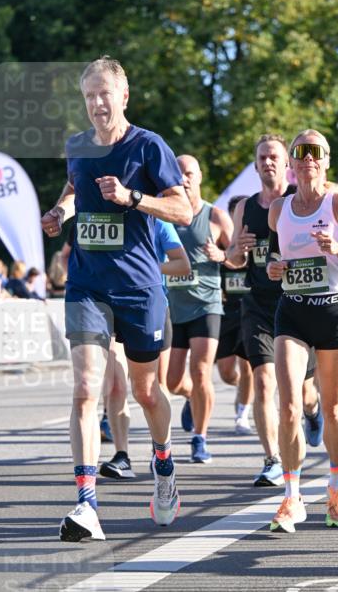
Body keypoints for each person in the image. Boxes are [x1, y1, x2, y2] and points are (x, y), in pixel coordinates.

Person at [41, 55, 192, 542]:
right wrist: (61, 212)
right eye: (88, 96)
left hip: (139, 287)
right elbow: (73, 188)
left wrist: (132, 198)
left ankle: (164, 462)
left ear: (123, 96)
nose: (96, 104)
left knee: (147, 394)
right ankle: (86, 505)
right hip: (87, 284)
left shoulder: (149, 146)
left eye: (104, 94)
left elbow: (184, 210)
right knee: (88, 388)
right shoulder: (78, 146)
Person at [266, 129, 338, 533]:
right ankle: (291, 496)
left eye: (315, 152)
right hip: (292, 312)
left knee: (333, 409)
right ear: (292, 163)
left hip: (333, 311)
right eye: (300, 152)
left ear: (327, 160)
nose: (307, 158)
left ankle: (335, 486)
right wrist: (273, 267)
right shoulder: (279, 209)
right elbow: (273, 255)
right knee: (289, 406)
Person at [226, 134, 323, 487]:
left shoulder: (300, 202)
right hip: (258, 306)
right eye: (262, 157)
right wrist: (238, 248)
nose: (268, 162)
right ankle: (272, 458)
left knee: (303, 392)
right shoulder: (244, 208)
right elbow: (233, 261)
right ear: (255, 165)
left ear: (287, 165)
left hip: (297, 303)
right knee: (264, 381)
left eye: (274, 157)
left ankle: (313, 412)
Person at [99, 219, 191, 481]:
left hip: (150, 308)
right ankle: (122, 455)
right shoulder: (106, 216)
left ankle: (160, 448)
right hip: (111, 305)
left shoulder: (158, 221)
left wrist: (145, 269)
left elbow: (182, 264)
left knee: (152, 388)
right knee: (115, 384)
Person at [166, 154, 233, 464]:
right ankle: (192, 397)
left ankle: (200, 438)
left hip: (207, 305)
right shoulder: (164, 215)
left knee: (202, 370)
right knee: (172, 381)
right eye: (178, 173)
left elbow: (238, 258)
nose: (184, 178)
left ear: (200, 176)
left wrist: (221, 255)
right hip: (174, 307)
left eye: (190, 172)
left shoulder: (216, 216)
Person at [215, 196, 254, 435]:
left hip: (251, 309)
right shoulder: (220, 247)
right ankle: (245, 389)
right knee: (227, 372)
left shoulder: (255, 242)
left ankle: (243, 413)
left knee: (248, 366)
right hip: (226, 312)